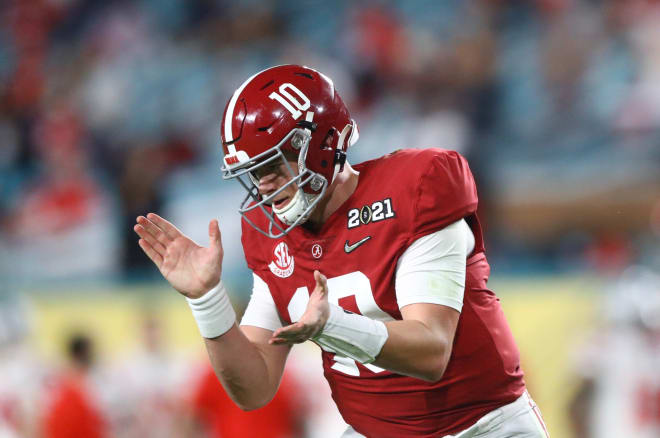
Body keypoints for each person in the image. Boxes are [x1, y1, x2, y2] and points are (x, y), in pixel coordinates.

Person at [134, 64, 548, 437]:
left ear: (319, 145)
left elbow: (431, 349)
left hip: (480, 427)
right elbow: (254, 387)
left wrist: (332, 324)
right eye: (252, 173)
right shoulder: (271, 236)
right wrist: (207, 299)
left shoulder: (414, 189)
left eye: (272, 166)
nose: (262, 187)